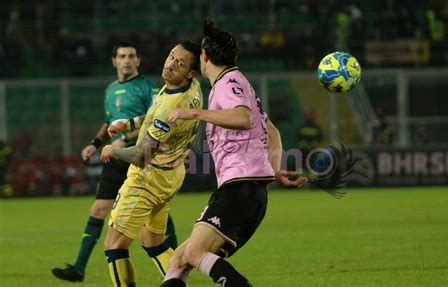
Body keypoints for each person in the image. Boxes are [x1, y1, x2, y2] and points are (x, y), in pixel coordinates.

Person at [161, 19, 306, 287]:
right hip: (251, 191)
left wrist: (193, 113)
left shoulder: (228, 83)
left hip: (238, 188)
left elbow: (242, 117)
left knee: (193, 253)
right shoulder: (240, 82)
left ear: (204, 57)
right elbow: (271, 129)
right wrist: (274, 170)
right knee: (179, 260)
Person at [51, 41, 178, 282]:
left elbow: (154, 121)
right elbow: (108, 121)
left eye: (131, 55)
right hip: (115, 156)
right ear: (114, 61)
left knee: (156, 212)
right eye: (122, 56)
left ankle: (176, 265)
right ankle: (78, 268)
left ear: (138, 60)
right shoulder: (110, 89)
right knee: (99, 209)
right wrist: (94, 144)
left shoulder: (147, 87)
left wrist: (124, 139)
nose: (127, 60)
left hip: (140, 156)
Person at [100, 40, 203, 286]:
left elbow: (139, 155)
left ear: (191, 71)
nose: (171, 64)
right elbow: (156, 112)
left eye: (180, 63)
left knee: (114, 246)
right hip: (172, 173)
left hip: (148, 177)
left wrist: (113, 150)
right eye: (171, 56)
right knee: (154, 242)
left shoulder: (172, 105)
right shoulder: (192, 87)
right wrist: (130, 124)